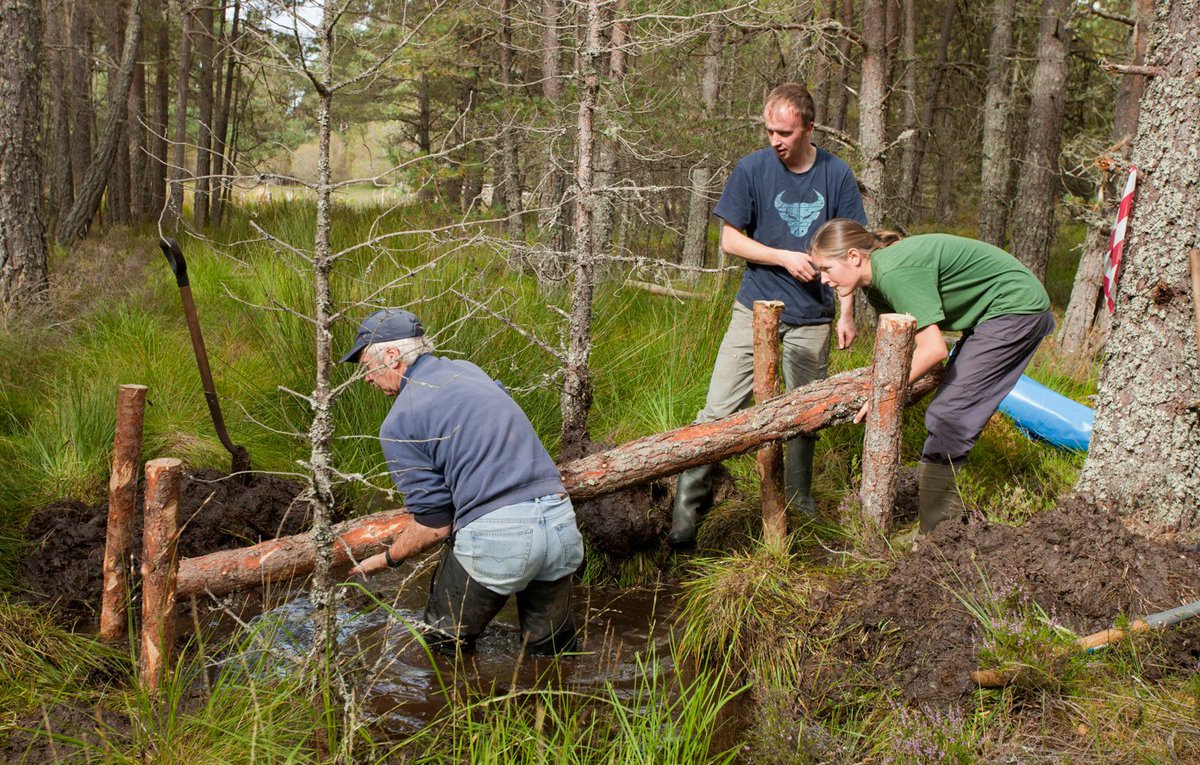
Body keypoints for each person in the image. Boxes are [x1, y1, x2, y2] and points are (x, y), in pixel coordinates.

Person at [668, 82, 867, 548]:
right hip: (753, 308)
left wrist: (846, 312)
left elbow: (851, 249)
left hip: (813, 316)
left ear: (809, 128)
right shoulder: (752, 169)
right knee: (718, 410)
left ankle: (799, 507)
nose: (775, 140)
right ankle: (685, 514)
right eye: (769, 131)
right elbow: (729, 240)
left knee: (805, 417)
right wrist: (782, 257)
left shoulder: (836, 175)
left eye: (785, 132)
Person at [342, 308, 584, 655]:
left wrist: (387, 559)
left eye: (366, 366)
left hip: (498, 537)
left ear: (392, 356)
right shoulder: (470, 370)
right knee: (554, 655)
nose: (366, 379)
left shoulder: (398, 422)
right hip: (560, 523)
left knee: (441, 648)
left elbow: (434, 526)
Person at [808, 220, 1055, 533]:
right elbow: (899, 350)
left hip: (1016, 308)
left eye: (826, 268)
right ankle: (939, 524)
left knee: (948, 415)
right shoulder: (875, 285)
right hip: (992, 312)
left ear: (854, 257)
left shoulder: (894, 273)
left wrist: (881, 394)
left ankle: (939, 534)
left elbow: (934, 349)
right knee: (949, 408)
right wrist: (880, 385)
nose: (823, 279)